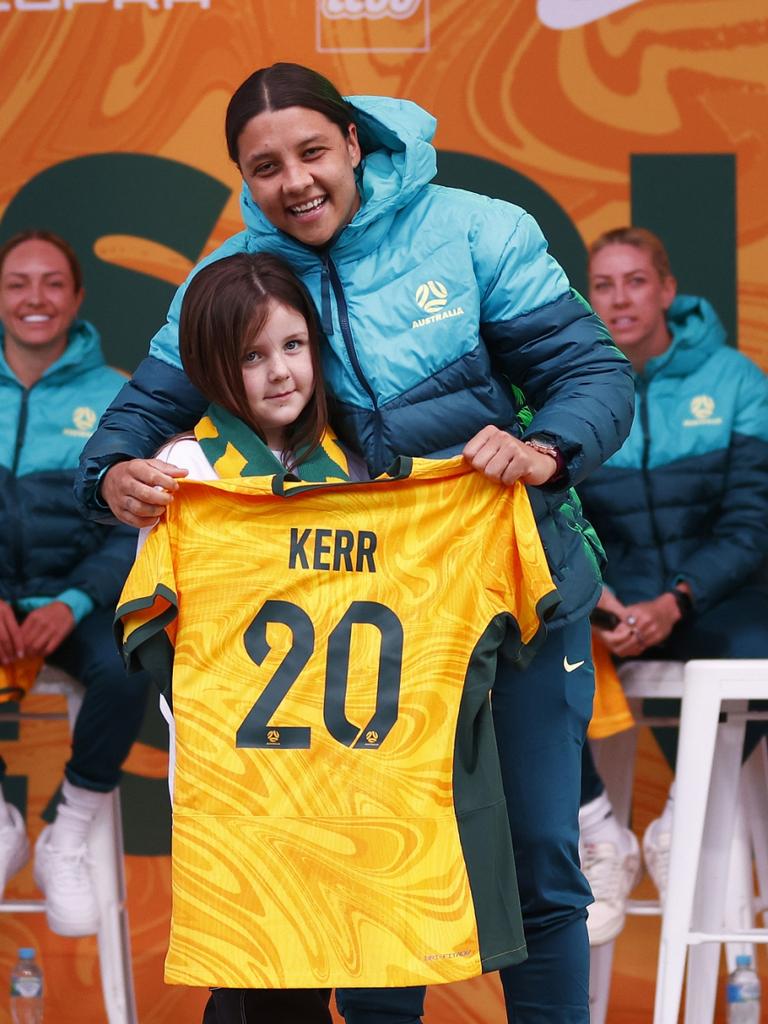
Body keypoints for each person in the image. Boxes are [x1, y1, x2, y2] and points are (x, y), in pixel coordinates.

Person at [76, 63, 635, 1023]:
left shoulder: (476, 230)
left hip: (508, 586)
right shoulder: (233, 283)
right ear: (243, 181)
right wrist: (111, 476)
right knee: (366, 873)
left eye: (310, 153)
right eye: (264, 167)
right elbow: (132, 421)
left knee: (539, 855)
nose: (293, 181)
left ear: (354, 141)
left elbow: (594, 373)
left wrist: (545, 447)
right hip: (358, 619)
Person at [119, 250, 558, 1023]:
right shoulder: (185, 477)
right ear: (212, 368)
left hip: (363, 794)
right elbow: (161, 649)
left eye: (293, 346)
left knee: (363, 980)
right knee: (262, 990)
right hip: (247, 795)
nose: (280, 371)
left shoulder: (369, 473)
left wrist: (478, 489)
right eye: (252, 356)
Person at [576, 226, 768, 945]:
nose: (619, 298)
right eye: (603, 285)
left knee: (758, 650)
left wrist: (676, 600)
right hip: (618, 604)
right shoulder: (580, 388)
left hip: (710, 600)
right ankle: (600, 833)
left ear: (666, 290)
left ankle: (684, 819)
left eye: (634, 281)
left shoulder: (734, 380)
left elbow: (751, 526)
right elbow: (563, 522)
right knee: (535, 652)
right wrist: (602, 599)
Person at [0, 230, 151, 937]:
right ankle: (2, 821)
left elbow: (131, 528)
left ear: (78, 297)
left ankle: (68, 833)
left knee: (129, 664)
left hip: (77, 603)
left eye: (52, 283)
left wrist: (74, 600)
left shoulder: (115, 394)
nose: (35, 298)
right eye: (18, 283)